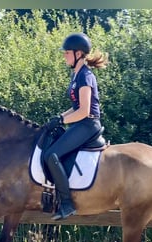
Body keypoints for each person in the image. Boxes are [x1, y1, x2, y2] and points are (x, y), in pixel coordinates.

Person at [43, 32, 109, 221]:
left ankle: (66, 204)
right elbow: (75, 107)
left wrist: (63, 121)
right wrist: (58, 118)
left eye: (67, 53)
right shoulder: (77, 74)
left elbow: (84, 110)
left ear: (78, 54)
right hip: (80, 123)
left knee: (51, 155)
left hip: (88, 125)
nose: (64, 56)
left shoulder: (85, 76)